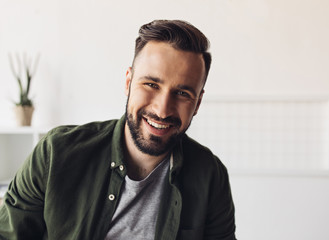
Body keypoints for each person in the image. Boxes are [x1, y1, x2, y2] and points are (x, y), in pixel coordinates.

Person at [0, 20, 236, 240]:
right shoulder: (55, 154)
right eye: (151, 84)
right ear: (128, 82)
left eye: (183, 93)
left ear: (198, 102)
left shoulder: (210, 176)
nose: (163, 110)